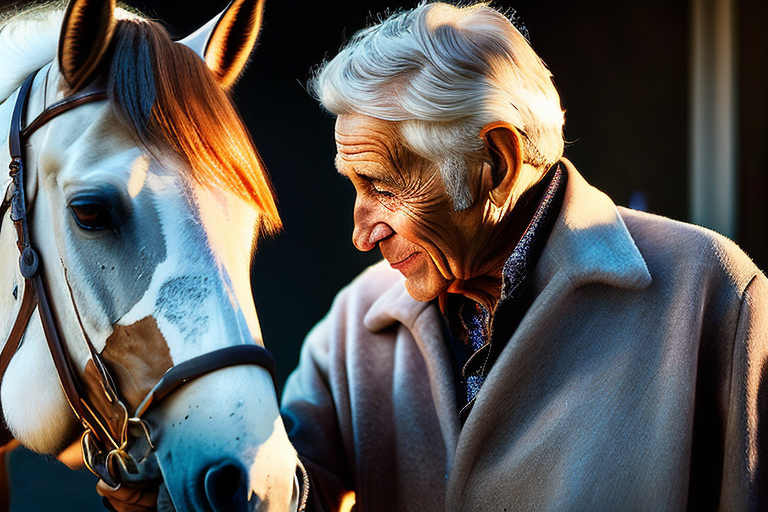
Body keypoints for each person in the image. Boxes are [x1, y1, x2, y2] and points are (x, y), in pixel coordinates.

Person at [103, 2, 767, 511]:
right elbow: (282, 497)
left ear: (496, 164)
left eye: (381, 187)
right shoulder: (353, 326)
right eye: (351, 185)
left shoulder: (711, 298)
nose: (362, 233)